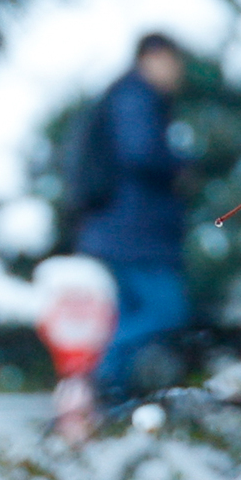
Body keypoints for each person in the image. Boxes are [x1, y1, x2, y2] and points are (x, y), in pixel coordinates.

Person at [72, 33, 190, 397]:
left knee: (125, 316)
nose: (177, 72)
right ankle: (97, 380)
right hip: (134, 235)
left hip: (115, 232)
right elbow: (139, 152)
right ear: (152, 58)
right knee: (168, 311)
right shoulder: (136, 97)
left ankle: (106, 397)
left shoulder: (123, 96)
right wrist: (181, 165)